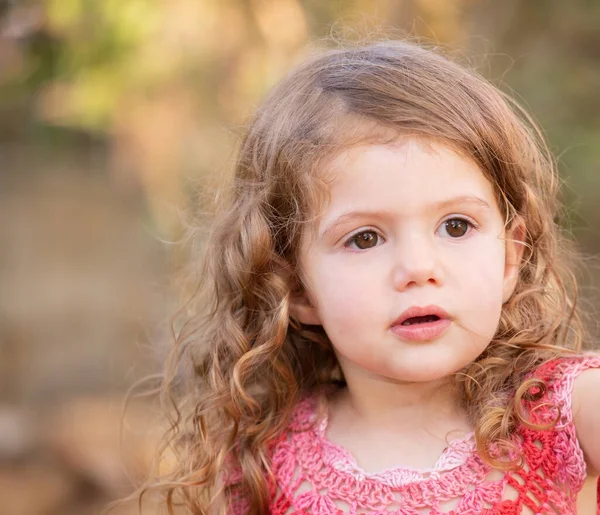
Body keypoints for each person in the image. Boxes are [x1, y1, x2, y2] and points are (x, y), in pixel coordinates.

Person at [146, 41, 600, 514]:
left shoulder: (558, 411)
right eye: (365, 239)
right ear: (297, 289)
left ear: (510, 256)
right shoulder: (268, 461)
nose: (419, 268)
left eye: (456, 226)